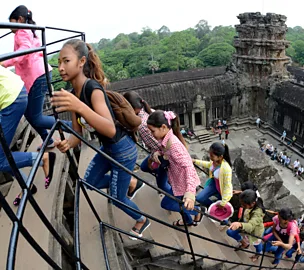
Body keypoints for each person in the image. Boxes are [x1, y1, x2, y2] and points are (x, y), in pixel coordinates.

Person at [51, 39, 148, 239]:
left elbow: (110, 129)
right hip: (109, 149)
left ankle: (141, 220)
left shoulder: (92, 89)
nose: (61, 68)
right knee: (89, 182)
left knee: (116, 198)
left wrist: (78, 106)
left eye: (66, 61)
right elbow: (78, 131)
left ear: (81, 62)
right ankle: (130, 183)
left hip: (122, 149)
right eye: (59, 62)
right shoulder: (74, 94)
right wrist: (67, 143)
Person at [3, 5, 71, 150]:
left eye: (12, 23)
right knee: (29, 113)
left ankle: (73, 128)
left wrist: (5, 62)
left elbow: (24, 51)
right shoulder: (30, 30)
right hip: (40, 74)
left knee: (36, 117)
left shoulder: (21, 31)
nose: (10, 28)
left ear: (19, 19)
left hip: (37, 76)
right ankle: (48, 139)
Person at [0, 66, 56, 206]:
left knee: (0, 159)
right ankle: (27, 185)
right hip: (15, 92)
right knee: (2, 153)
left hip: (10, 99)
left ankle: (43, 158)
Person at [146, 110, 203, 226]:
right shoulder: (166, 139)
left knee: (167, 204)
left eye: (153, 131)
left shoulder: (174, 145)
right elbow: (164, 151)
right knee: (177, 202)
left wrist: (190, 193)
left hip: (183, 183)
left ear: (163, 127)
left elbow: (189, 167)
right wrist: (158, 153)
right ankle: (188, 219)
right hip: (177, 180)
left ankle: (197, 210)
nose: (152, 134)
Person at [227, 189, 265, 262]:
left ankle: (258, 254)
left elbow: (251, 225)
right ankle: (244, 243)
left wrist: (239, 224)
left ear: (253, 203)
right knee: (230, 232)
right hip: (244, 226)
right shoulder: (251, 201)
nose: (242, 206)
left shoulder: (258, 213)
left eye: (244, 205)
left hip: (254, 232)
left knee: (257, 244)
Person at [194, 142, 233, 208]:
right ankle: (213, 206)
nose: (210, 157)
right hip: (214, 184)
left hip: (222, 189)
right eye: (210, 155)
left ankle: (216, 208)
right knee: (199, 198)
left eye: (212, 156)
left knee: (223, 210)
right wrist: (195, 161)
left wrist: (223, 202)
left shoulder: (226, 169)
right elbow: (209, 164)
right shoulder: (215, 161)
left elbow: (227, 186)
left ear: (220, 157)